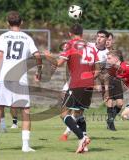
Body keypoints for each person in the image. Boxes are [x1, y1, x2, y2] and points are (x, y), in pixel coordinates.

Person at [0, 11, 42, 152]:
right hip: (20, 78)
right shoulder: (26, 37)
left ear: (8, 23)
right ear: (22, 22)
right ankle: (25, 146)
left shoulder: (3, 37)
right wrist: (39, 70)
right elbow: (37, 55)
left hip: (4, 76)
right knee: (25, 110)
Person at [44, 24, 100, 153]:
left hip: (77, 83)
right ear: (82, 33)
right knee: (79, 114)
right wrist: (89, 78)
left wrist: (48, 56)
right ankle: (85, 146)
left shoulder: (69, 45)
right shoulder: (91, 47)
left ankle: (82, 138)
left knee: (63, 113)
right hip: (89, 84)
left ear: (70, 34)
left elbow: (58, 63)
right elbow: (97, 70)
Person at [104, 32, 124, 131]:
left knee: (120, 104)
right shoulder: (101, 53)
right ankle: (111, 124)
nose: (107, 41)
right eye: (106, 39)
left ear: (112, 41)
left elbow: (122, 65)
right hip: (106, 80)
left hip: (116, 80)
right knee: (110, 102)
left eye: (109, 39)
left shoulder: (117, 53)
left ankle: (110, 119)